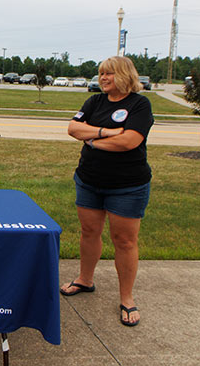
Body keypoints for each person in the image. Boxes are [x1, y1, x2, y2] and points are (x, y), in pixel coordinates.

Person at [60, 56, 153, 327]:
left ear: (124, 75)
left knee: (124, 241)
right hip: (89, 180)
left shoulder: (139, 105)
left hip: (127, 186)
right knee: (89, 231)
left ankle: (126, 298)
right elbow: (72, 128)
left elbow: (129, 142)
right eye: (100, 73)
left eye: (108, 73)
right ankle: (85, 280)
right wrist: (104, 132)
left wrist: (90, 139)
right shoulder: (94, 102)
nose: (102, 78)